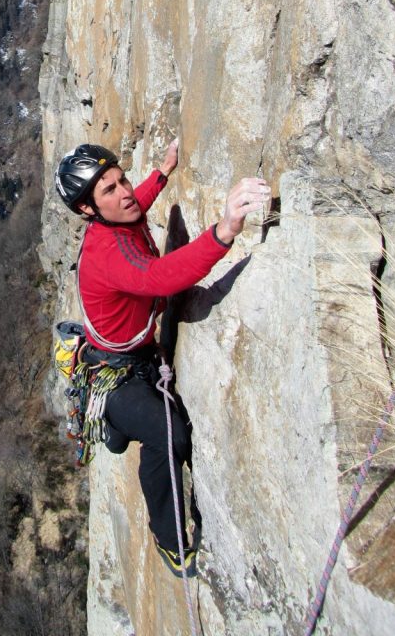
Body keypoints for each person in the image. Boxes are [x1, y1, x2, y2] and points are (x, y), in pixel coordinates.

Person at [54, 139, 270, 579]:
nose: (124, 192)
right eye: (108, 190)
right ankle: (169, 540)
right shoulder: (108, 252)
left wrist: (163, 172)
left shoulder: (117, 218)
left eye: (121, 179)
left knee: (163, 420)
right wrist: (224, 231)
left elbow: (135, 203)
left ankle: (123, 427)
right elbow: (158, 277)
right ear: (87, 212)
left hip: (133, 356)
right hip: (115, 377)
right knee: (168, 434)